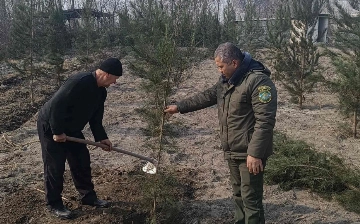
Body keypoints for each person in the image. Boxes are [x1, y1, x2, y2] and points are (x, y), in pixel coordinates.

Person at [164, 43, 277, 224]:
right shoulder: (227, 80)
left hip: (249, 152)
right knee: (238, 195)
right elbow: (208, 96)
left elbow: (265, 121)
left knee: (251, 199)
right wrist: (180, 107)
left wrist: (255, 154)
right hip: (232, 149)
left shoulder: (258, 82)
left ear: (234, 63)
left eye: (221, 66)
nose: (219, 70)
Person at [37, 58, 123, 219]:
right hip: (51, 126)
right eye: (115, 78)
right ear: (106, 74)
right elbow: (57, 105)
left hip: (72, 129)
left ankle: (88, 197)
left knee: (82, 160)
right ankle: (54, 203)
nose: (115, 82)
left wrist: (102, 138)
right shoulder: (78, 82)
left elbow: (96, 119)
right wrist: (57, 131)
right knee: (55, 166)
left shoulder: (101, 92)